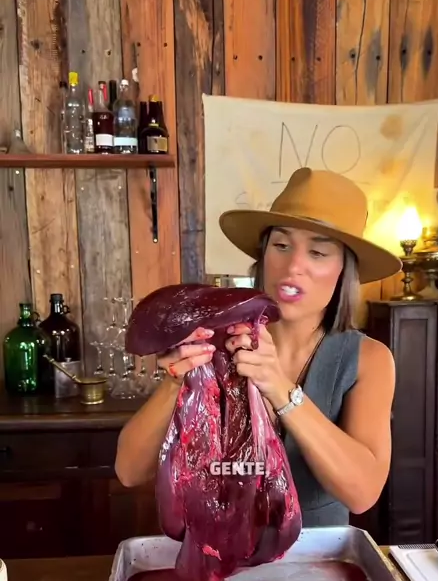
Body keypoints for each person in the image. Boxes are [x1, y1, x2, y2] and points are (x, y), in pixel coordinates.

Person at [115, 167, 402, 526]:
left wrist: (279, 388)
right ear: (263, 255)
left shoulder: (368, 360)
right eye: (281, 246)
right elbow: (129, 470)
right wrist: (175, 384)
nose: (293, 265)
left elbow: (362, 493)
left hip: (317, 554)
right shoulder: (216, 341)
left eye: (317, 252)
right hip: (218, 549)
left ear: (344, 271)